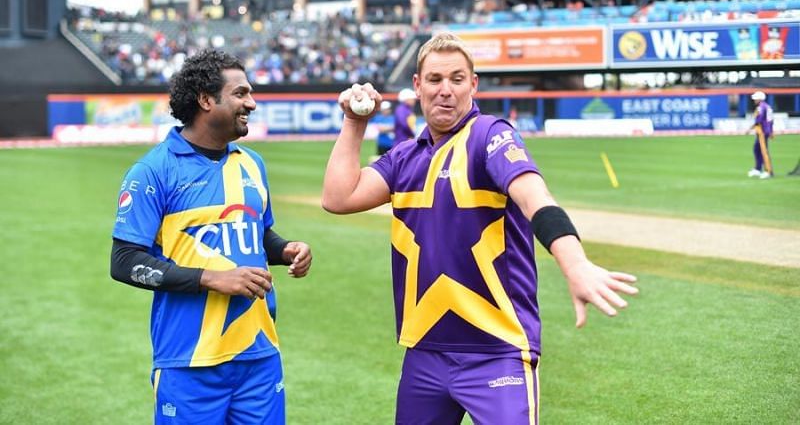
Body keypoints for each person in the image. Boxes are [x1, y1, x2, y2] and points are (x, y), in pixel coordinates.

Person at [322, 33, 638, 424]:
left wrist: (575, 265)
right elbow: (338, 198)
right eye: (435, 80)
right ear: (418, 86)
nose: (446, 91)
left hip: (498, 350)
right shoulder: (405, 157)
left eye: (457, 79)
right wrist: (354, 122)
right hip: (425, 351)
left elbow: (534, 197)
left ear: (473, 84)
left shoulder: (491, 135)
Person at [110, 49, 312, 424]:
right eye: (240, 94)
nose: (251, 103)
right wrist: (211, 279)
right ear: (206, 99)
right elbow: (124, 262)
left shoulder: (252, 163)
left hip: (259, 351)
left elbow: (256, 234)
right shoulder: (154, 171)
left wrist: (285, 250)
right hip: (189, 358)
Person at [747, 90, 774, 179]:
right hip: (762, 131)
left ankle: (768, 171)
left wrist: (750, 128)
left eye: (755, 98)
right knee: (756, 149)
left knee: (763, 151)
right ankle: (758, 168)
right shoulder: (765, 106)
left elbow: (760, 120)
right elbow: (770, 120)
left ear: (760, 99)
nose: (754, 100)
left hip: (762, 131)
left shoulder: (762, 107)